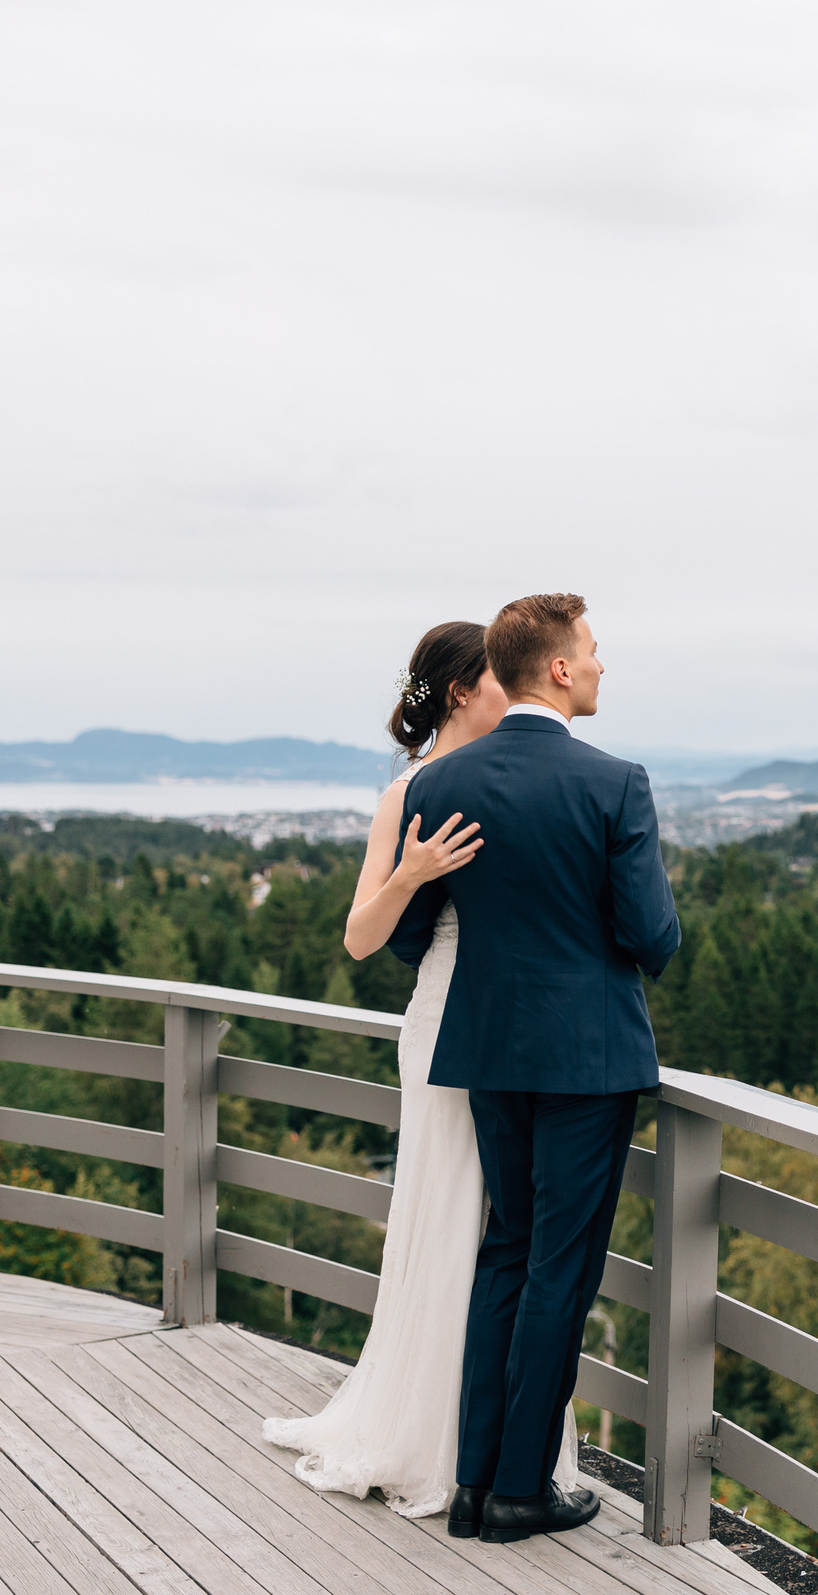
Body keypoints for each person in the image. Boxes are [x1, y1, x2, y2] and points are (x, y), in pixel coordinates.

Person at [387, 592, 681, 1543]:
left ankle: (474, 1487)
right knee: (562, 1267)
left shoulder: (439, 783)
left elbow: (409, 940)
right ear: (557, 668)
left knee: (505, 1253)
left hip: (488, 1051)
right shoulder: (615, 783)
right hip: (588, 1059)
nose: (599, 665)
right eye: (590, 651)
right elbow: (653, 936)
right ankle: (520, 1490)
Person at [260, 621, 499, 1516]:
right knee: (442, 1210)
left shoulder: (509, 779)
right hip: (442, 1021)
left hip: (509, 1025)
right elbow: (360, 937)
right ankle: (422, 1432)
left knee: (492, 1225)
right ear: (462, 690)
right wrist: (413, 872)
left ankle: (481, 1426)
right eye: (498, 676)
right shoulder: (407, 794)